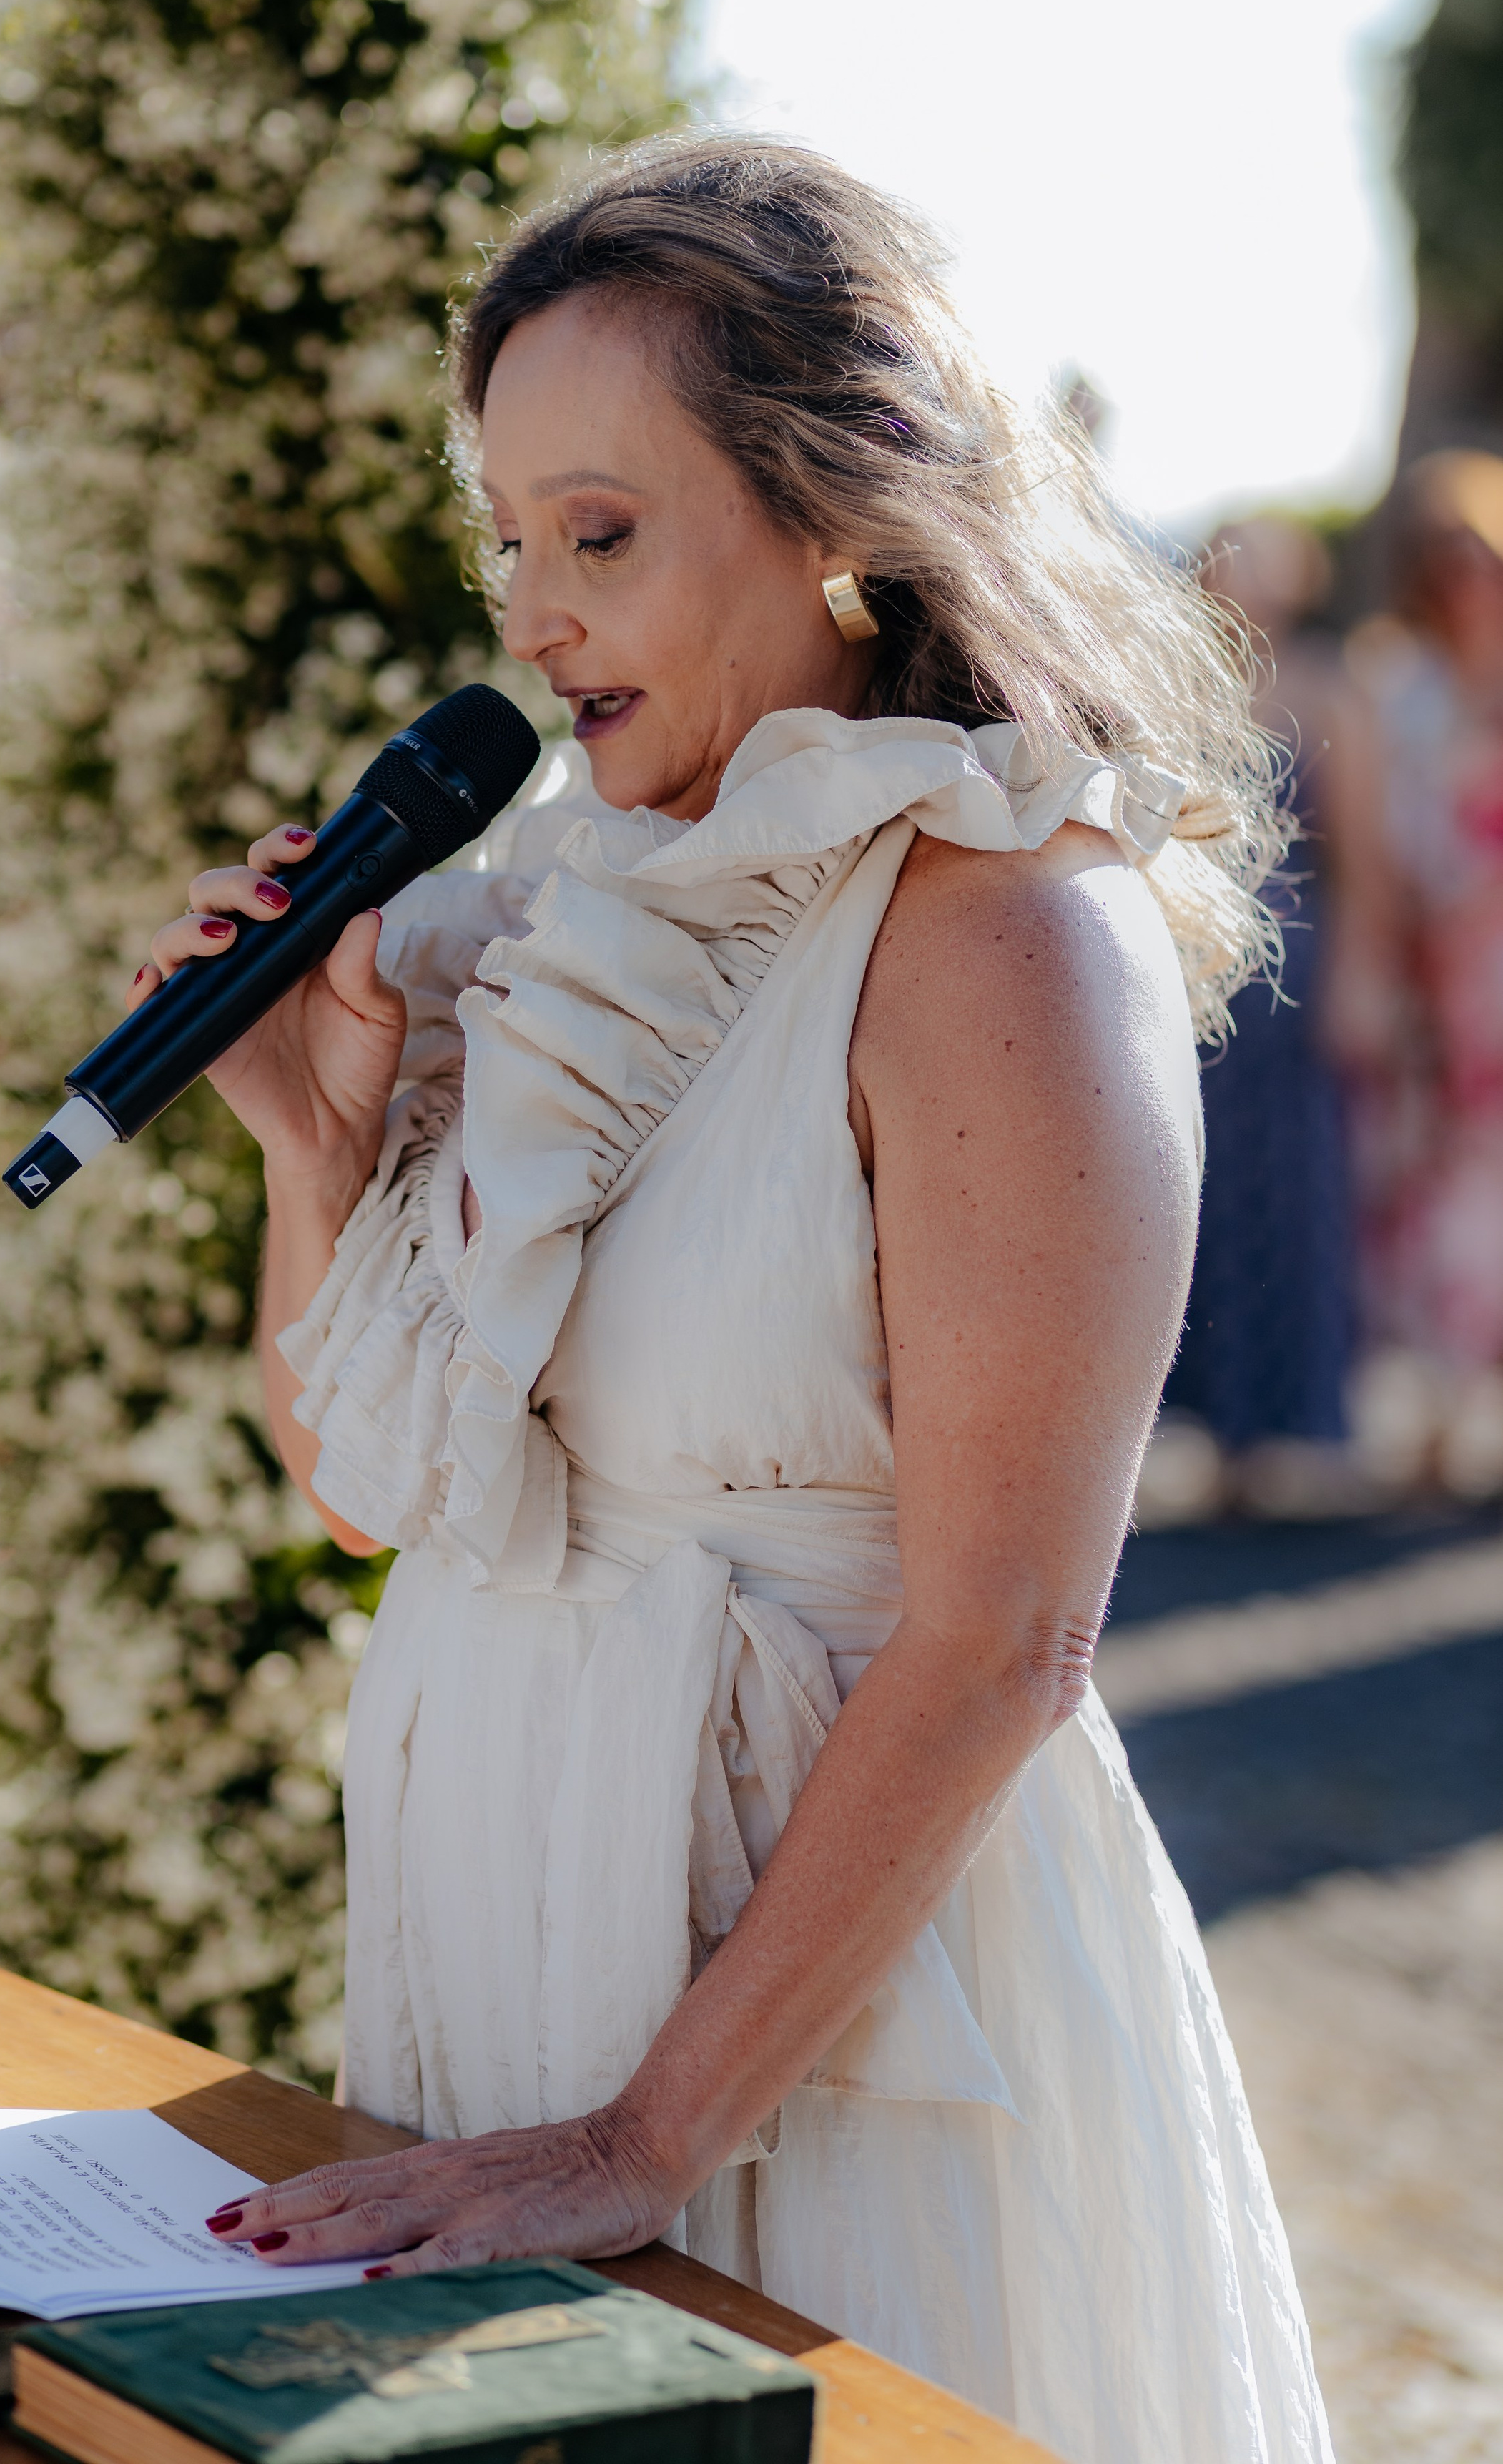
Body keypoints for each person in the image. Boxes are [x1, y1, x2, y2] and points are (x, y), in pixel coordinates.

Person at [138, 141, 1329, 2462]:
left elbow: (1007, 1634)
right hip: (498, 1974)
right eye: (509, 540)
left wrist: (641, 2141)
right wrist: (315, 1145)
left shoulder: (1004, 922)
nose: (535, 615)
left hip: (825, 2058)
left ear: (836, 514)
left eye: (600, 534)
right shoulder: (562, 914)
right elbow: (375, 1495)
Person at [1160, 517, 1361, 1516]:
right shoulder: (1177, 686)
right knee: (1195, 1193)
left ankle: (1297, 1429)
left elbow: (1364, 863)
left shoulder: (1327, 690)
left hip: (1291, 981)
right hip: (1193, 975)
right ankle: (1206, 1431)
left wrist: (1359, 982)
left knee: (1293, 1195)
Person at [1327, 451, 1503, 1496]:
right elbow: (1376, 850)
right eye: (1445, 559)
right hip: (1437, 973)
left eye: (1479, 556)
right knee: (1425, 1185)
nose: (1465, 578)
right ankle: (1438, 1411)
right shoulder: (1396, 688)